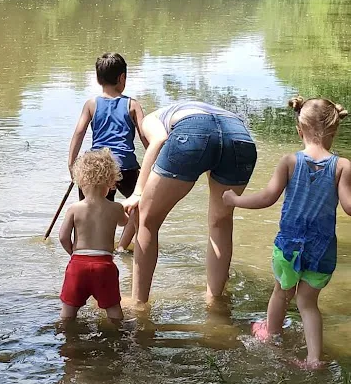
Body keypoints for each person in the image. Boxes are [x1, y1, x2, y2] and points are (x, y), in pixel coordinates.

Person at [223, 97, 351, 369]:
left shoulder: (290, 161)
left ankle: (271, 336)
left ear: (299, 130)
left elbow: (267, 198)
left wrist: (234, 200)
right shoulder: (342, 166)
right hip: (322, 250)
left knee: (282, 292)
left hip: (289, 246)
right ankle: (314, 360)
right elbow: (349, 207)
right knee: (308, 303)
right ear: (334, 130)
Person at [122, 100, 257, 304]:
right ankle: (214, 300)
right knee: (220, 221)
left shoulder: (149, 119)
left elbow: (159, 140)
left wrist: (138, 191)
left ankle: (138, 303)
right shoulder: (188, 109)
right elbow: (215, 142)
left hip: (194, 132)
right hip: (240, 137)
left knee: (146, 217)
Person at [68, 52, 147, 252]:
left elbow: (79, 133)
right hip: (125, 167)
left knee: (89, 212)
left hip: (97, 168)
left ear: (97, 78)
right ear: (122, 78)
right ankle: (121, 247)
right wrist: (155, 163)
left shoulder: (91, 104)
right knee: (141, 205)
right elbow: (146, 136)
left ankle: (85, 250)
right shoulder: (132, 104)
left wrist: (72, 164)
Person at [59, 149, 129, 323]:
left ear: (81, 181)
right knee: (113, 309)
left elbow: (63, 237)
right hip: (104, 266)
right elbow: (125, 222)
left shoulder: (74, 208)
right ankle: (119, 333)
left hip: (78, 265)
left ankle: (66, 334)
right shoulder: (116, 208)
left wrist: (74, 254)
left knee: (68, 312)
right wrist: (131, 211)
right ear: (111, 182)